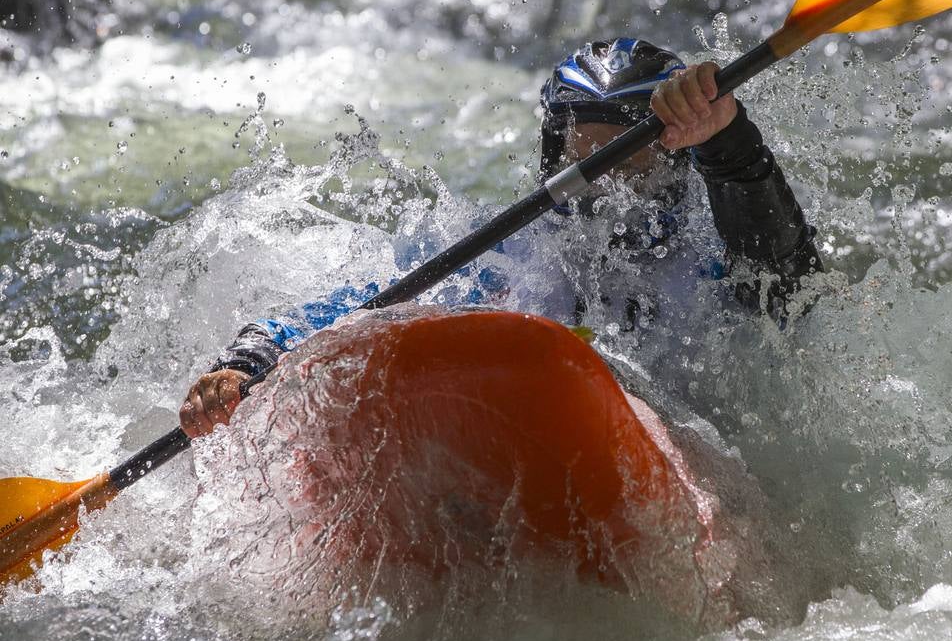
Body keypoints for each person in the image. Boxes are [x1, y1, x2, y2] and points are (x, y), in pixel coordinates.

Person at [180, 38, 822, 438]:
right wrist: (251, 358)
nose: (609, 188)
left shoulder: (718, 250)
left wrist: (727, 137)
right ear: (553, 158)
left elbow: (789, 280)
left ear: (679, 156)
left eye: (632, 160)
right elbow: (358, 309)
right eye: (589, 163)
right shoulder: (511, 253)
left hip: (696, 445)